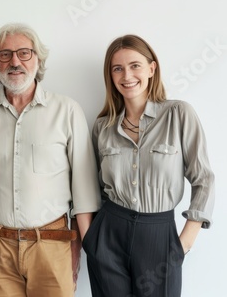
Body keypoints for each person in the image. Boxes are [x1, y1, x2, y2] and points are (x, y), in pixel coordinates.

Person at [0, 23, 101, 297]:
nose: (14, 62)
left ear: (37, 59)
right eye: (4, 54)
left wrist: (76, 249)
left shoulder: (67, 110)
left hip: (52, 246)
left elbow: (84, 192)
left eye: (24, 53)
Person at [85, 34, 215, 297]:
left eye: (135, 65)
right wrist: (91, 240)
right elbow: (94, 188)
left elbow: (204, 179)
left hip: (159, 237)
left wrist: (183, 244)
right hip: (109, 234)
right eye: (117, 68)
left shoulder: (178, 114)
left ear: (152, 69)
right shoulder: (103, 127)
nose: (127, 75)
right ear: (110, 76)